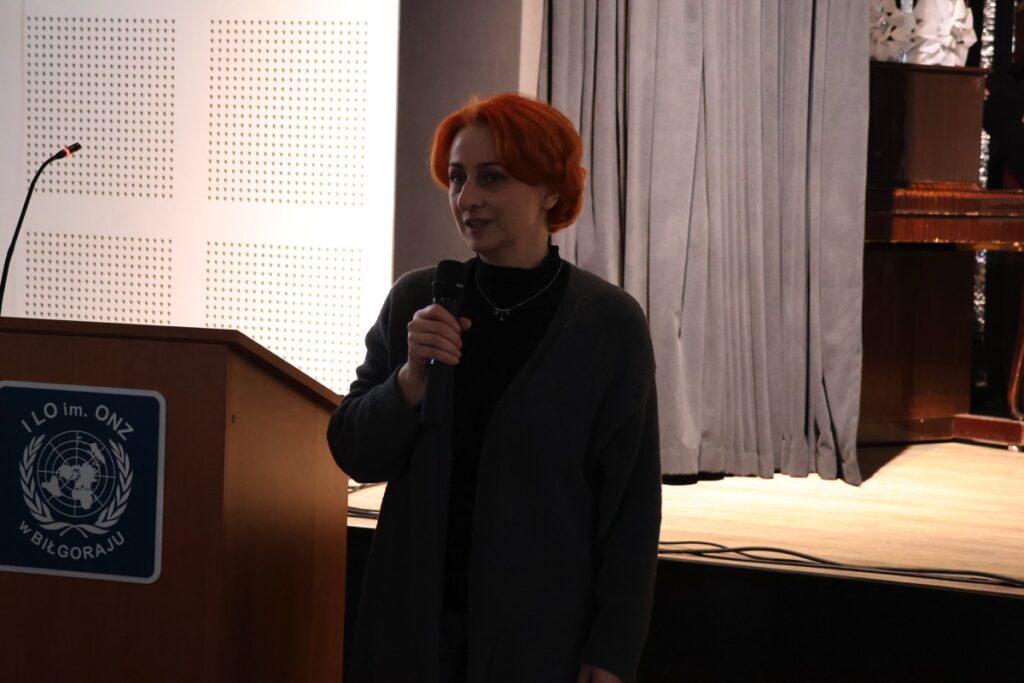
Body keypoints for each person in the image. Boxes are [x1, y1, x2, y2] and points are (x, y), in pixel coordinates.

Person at [328, 93, 661, 683]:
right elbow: (353, 449)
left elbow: (632, 507)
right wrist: (408, 381)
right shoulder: (418, 299)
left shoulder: (608, 324)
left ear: (551, 190)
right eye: (457, 177)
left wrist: (613, 648)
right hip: (411, 632)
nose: (467, 198)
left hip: (539, 641)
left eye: (492, 177)